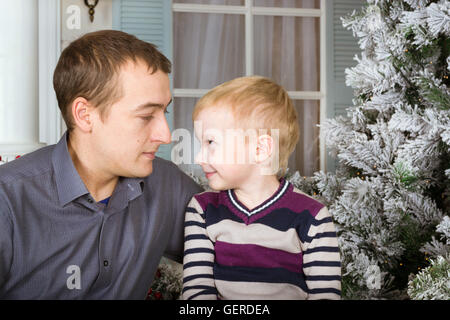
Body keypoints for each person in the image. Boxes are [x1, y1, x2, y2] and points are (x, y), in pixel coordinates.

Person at [0, 30, 202, 299]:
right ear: (85, 115)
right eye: (145, 116)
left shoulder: (169, 186)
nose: (165, 135)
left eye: (163, 112)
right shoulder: (8, 200)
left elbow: (247, 245)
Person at [182, 76, 341, 300]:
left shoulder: (312, 217)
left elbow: (325, 296)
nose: (199, 157)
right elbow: (197, 291)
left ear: (261, 149)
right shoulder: (202, 209)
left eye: (210, 143)